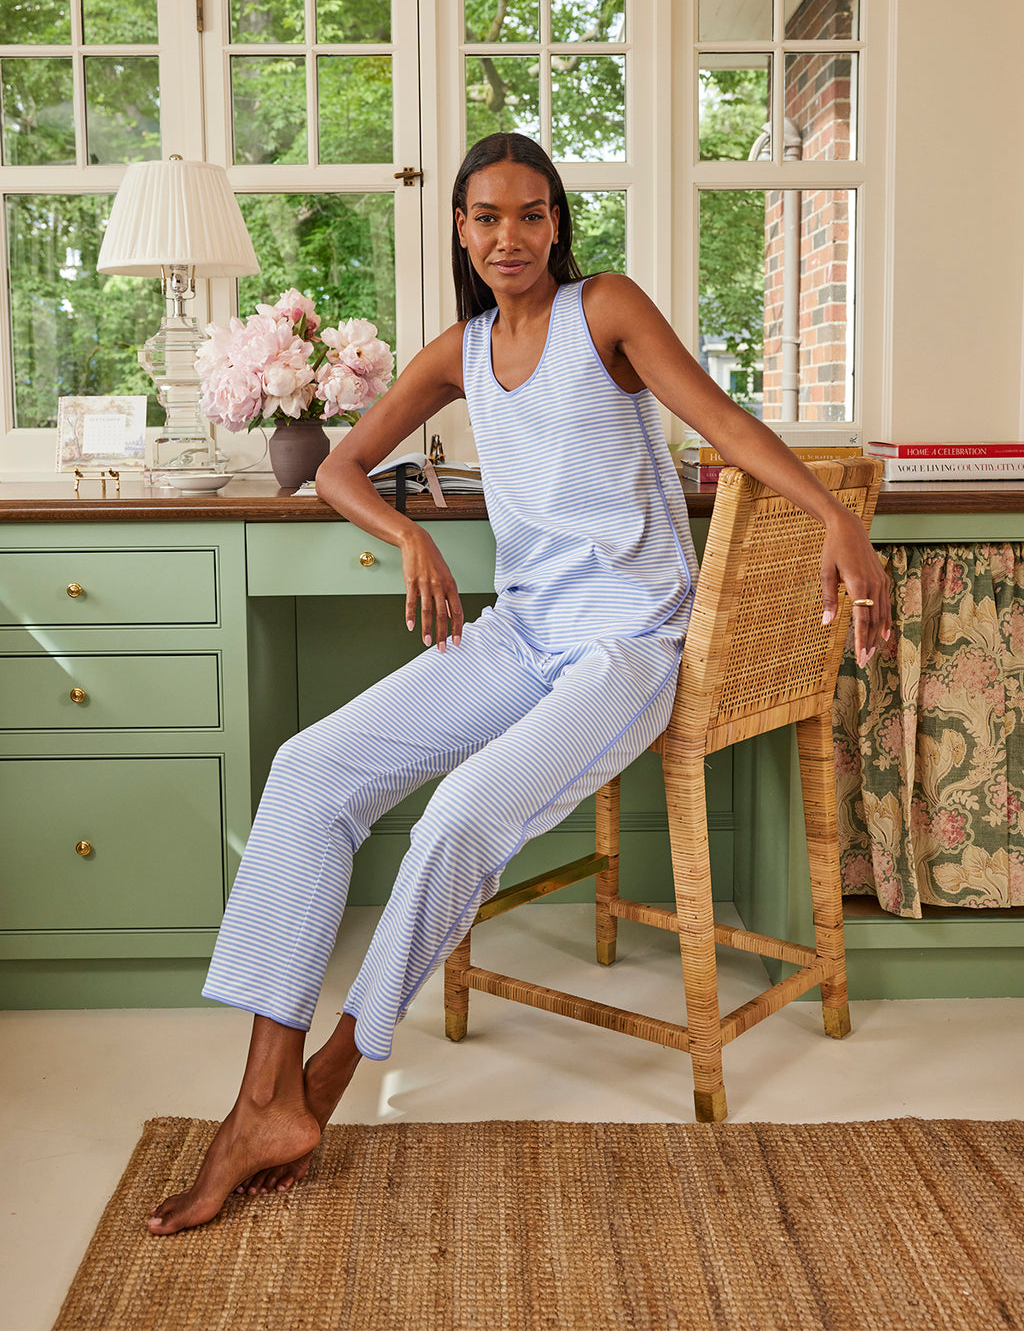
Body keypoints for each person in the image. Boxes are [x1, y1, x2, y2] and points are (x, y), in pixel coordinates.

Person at [148, 133, 889, 1235]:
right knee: (307, 773)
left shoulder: (608, 313)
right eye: (487, 216)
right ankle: (262, 1097)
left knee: (454, 819)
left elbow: (722, 426)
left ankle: (334, 1074)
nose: (510, 236)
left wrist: (835, 516)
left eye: (531, 214)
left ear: (556, 225)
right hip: (524, 632)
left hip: (627, 646)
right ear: (458, 227)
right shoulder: (460, 350)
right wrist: (409, 536)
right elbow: (333, 468)